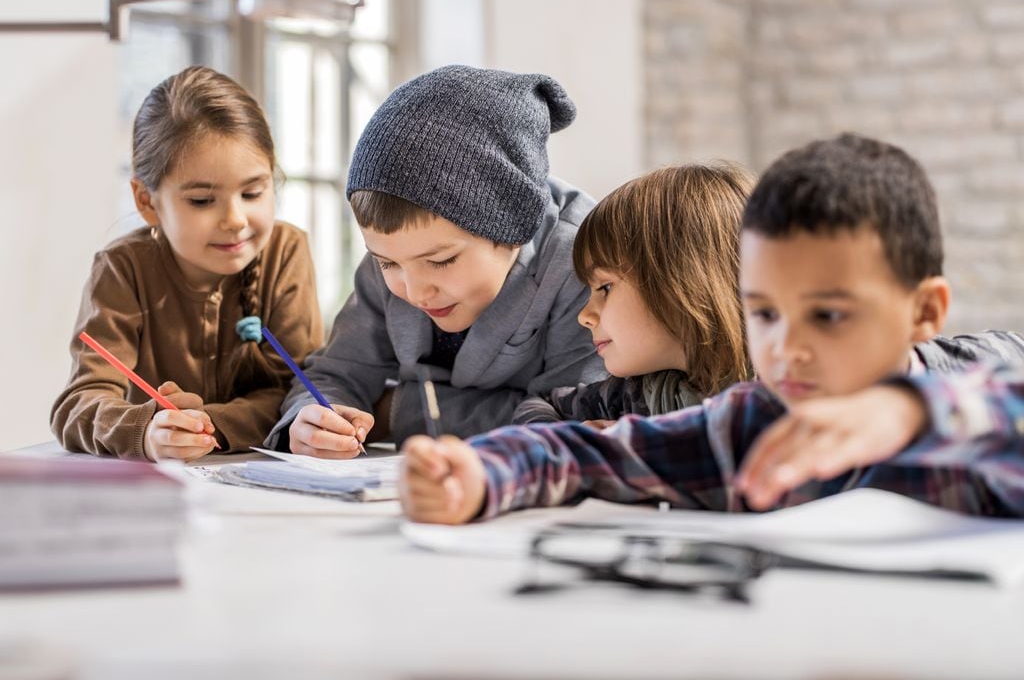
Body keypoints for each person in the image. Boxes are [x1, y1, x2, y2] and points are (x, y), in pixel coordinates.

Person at [399, 133, 1024, 523]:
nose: (786, 349)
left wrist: (906, 412)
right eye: (765, 314)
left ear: (924, 312)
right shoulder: (750, 423)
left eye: (829, 315)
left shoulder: (971, 388)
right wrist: (480, 477)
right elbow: (584, 453)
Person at [264, 65, 605, 458]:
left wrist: (399, 410)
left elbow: (570, 422)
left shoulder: (582, 258)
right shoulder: (399, 252)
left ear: (516, 226)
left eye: (441, 261)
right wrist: (311, 419)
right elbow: (335, 373)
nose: (415, 291)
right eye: (388, 264)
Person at [52, 66, 323, 461]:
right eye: (201, 200)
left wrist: (206, 422)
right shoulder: (122, 268)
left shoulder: (286, 251)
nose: (235, 219)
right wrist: (144, 430)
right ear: (147, 201)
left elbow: (296, 394)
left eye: (252, 193)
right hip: (159, 493)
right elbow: (77, 404)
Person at [513, 163, 753, 427]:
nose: (584, 316)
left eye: (605, 287)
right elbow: (540, 403)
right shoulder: (635, 396)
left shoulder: (782, 399)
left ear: (682, 282)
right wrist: (574, 441)